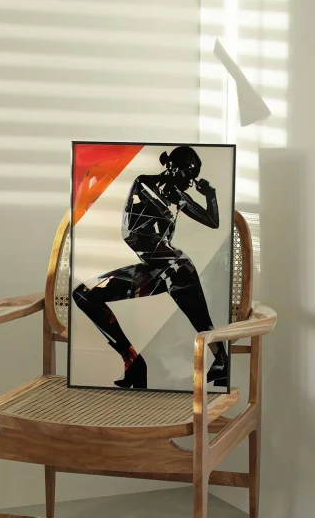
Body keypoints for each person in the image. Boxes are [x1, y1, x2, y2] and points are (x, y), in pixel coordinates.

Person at [73, 145, 229, 389]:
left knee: (203, 323)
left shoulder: (178, 195)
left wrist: (210, 195)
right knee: (84, 295)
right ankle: (133, 361)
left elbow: (212, 221)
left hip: (176, 268)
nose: (191, 182)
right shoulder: (145, 183)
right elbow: (134, 228)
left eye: (194, 176)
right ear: (172, 167)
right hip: (163, 267)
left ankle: (221, 367)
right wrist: (178, 201)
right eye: (188, 174)